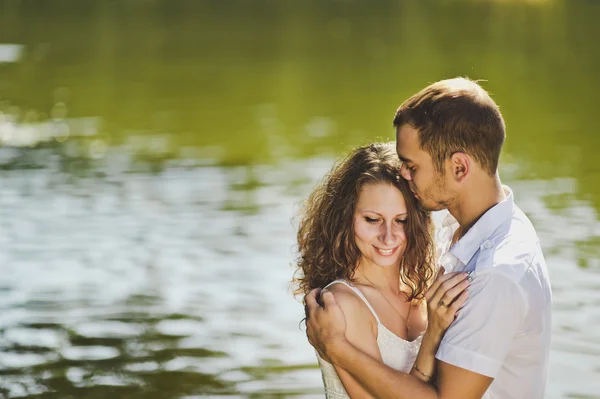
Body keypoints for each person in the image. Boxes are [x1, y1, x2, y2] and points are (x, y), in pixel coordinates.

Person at [304, 78, 552, 399]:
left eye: (411, 166)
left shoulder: (496, 273)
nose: (404, 176)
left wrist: (337, 348)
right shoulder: (454, 230)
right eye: (372, 219)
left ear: (459, 168)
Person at [293, 142, 471, 398]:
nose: (388, 237)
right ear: (345, 218)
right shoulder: (343, 304)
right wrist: (433, 332)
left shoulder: (421, 290)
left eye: (401, 220)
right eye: (372, 220)